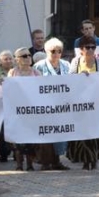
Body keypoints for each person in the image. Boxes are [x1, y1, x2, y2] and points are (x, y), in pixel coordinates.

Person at [67, 35, 99, 170]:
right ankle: (85, 159)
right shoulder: (75, 62)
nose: (91, 50)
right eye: (88, 47)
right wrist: (80, 76)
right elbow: (70, 80)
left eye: (93, 47)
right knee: (83, 133)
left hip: (96, 104)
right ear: (81, 49)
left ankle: (94, 158)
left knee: (95, 133)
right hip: (80, 104)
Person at [33, 37, 72, 170]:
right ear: (46, 51)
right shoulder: (39, 66)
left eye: (59, 51)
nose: (56, 54)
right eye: (53, 51)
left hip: (62, 105)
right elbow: (32, 86)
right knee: (46, 134)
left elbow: (73, 82)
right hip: (45, 105)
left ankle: (56, 161)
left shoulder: (66, 65)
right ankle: (45, 162)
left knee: (60, 134)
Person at [7, 47, 41, 171]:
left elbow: (42, 89)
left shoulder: (36, 72)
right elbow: (9, 88)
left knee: (31, 137)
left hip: (32, 110)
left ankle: (30, 164)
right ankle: (19, 164)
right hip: (17, 110)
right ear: (17, 60)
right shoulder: (12, 72)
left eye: (29, 55)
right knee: (18, 138)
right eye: (24, 56)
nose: (28, 58)